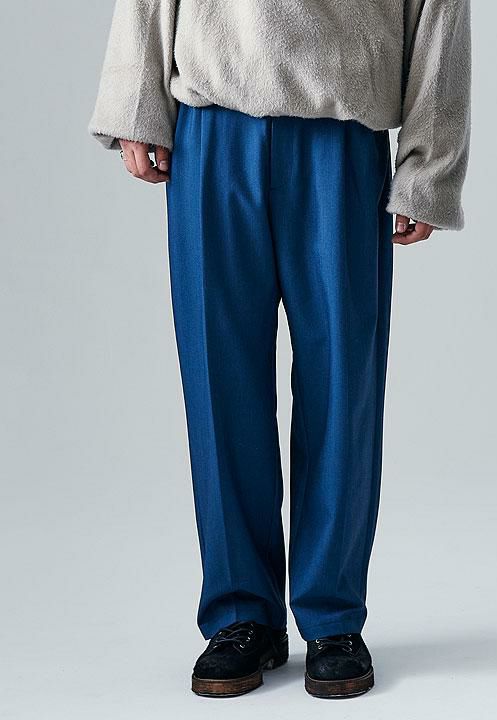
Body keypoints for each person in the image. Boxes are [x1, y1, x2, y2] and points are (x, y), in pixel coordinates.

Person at [88, 0, 471, 700]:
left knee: (343, 382)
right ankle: (241, 613)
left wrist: (430, 164)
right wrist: (134, 100)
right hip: (213, 124)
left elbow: (440, 10)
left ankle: (332, 615)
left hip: (342, 131)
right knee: (219, 378)